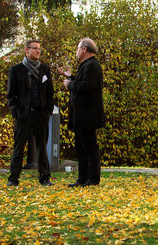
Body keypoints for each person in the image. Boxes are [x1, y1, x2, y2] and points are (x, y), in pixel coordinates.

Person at [7, 39, 54, 186]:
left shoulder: (45, 70)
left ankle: (45, 178)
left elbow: (50, 93)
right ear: (26, 50)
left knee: (42, 147)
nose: (38, 51)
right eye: (35, 48)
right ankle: (13, 179)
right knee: (19, 147)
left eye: (39, 48)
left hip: (41, 115)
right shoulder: (16, 70)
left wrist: (48, 111)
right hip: (23, 115)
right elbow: (11, 94)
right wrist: (16, 112)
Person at [59, 38, 105, 187]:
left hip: (87, 115)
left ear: (84, 49)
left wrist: (70, 84)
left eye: (78, 48)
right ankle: (83, 178)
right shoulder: (87, 65)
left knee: (89, 148)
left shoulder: (92, 65)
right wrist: (71, 77)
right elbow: (83, 82)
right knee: (81, 147)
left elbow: (87, 86)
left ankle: (92, 179)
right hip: (81, 115)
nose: (77, 52)